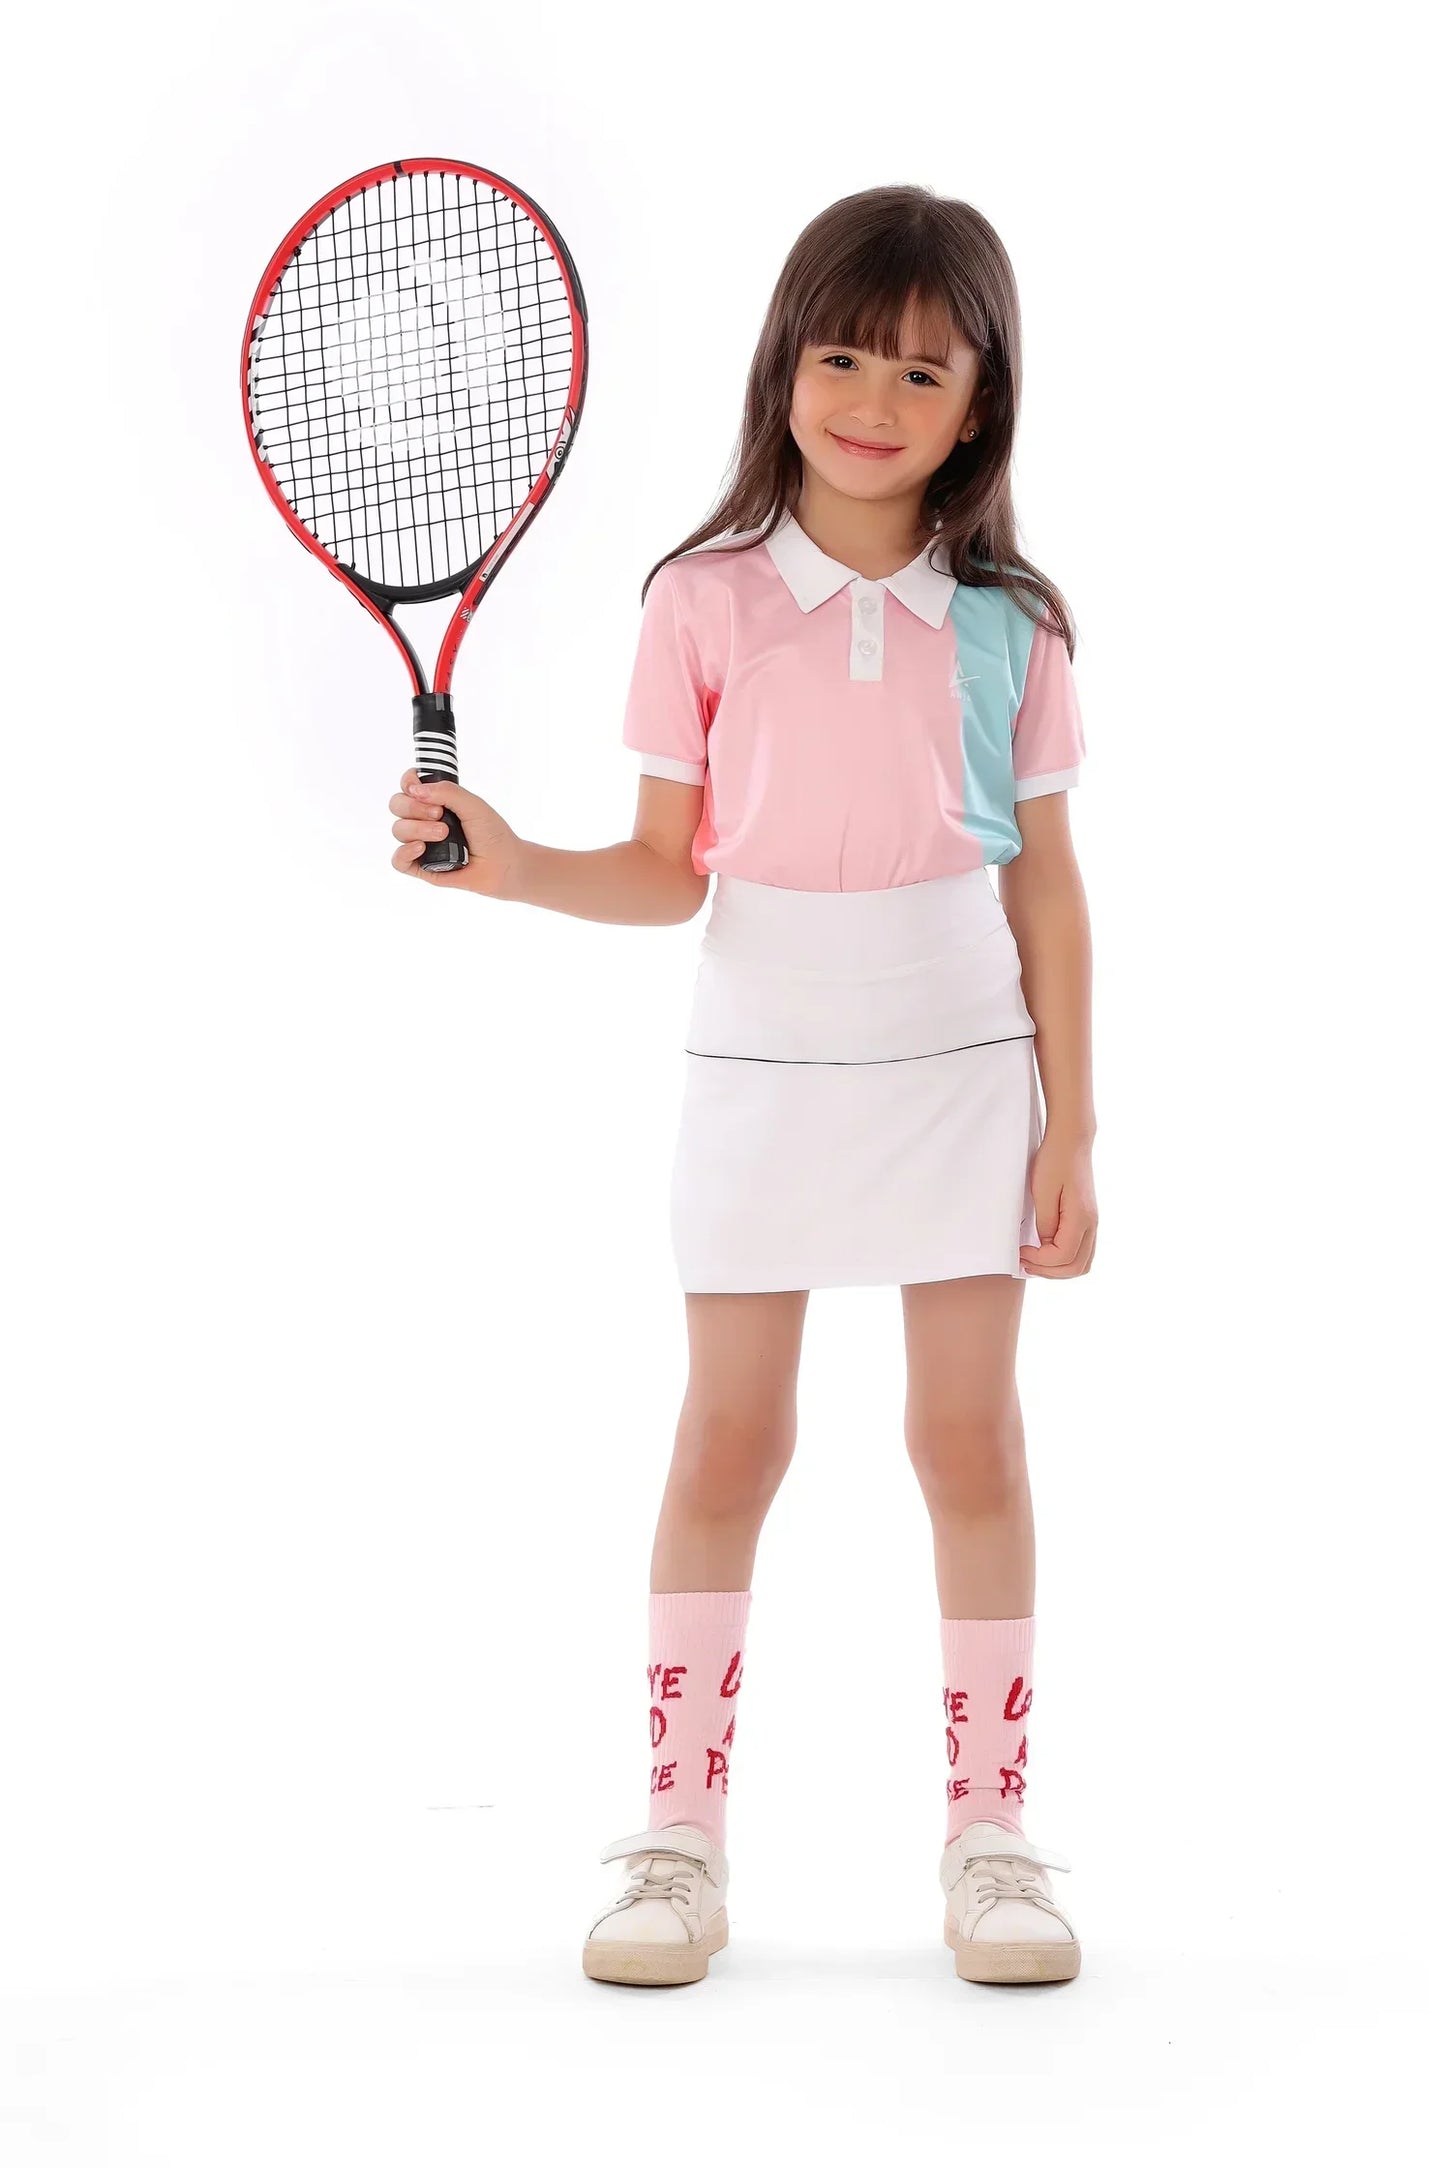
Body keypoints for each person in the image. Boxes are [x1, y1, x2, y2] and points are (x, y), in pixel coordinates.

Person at [388, 184, 1096, 1990]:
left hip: (957, 1061)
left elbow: (1045, 887)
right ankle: (681, 1835)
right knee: (728, 1439)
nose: (870, 396)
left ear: (980, 401)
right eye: (839, 352)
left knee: (967, 1441)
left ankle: (991, 1837)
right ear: (785, 360)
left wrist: (1073, 1122)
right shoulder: (702, 604)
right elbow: (665, 871)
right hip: (759, 1061)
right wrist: (516, 858)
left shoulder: (1011, 620)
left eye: (920, 368)